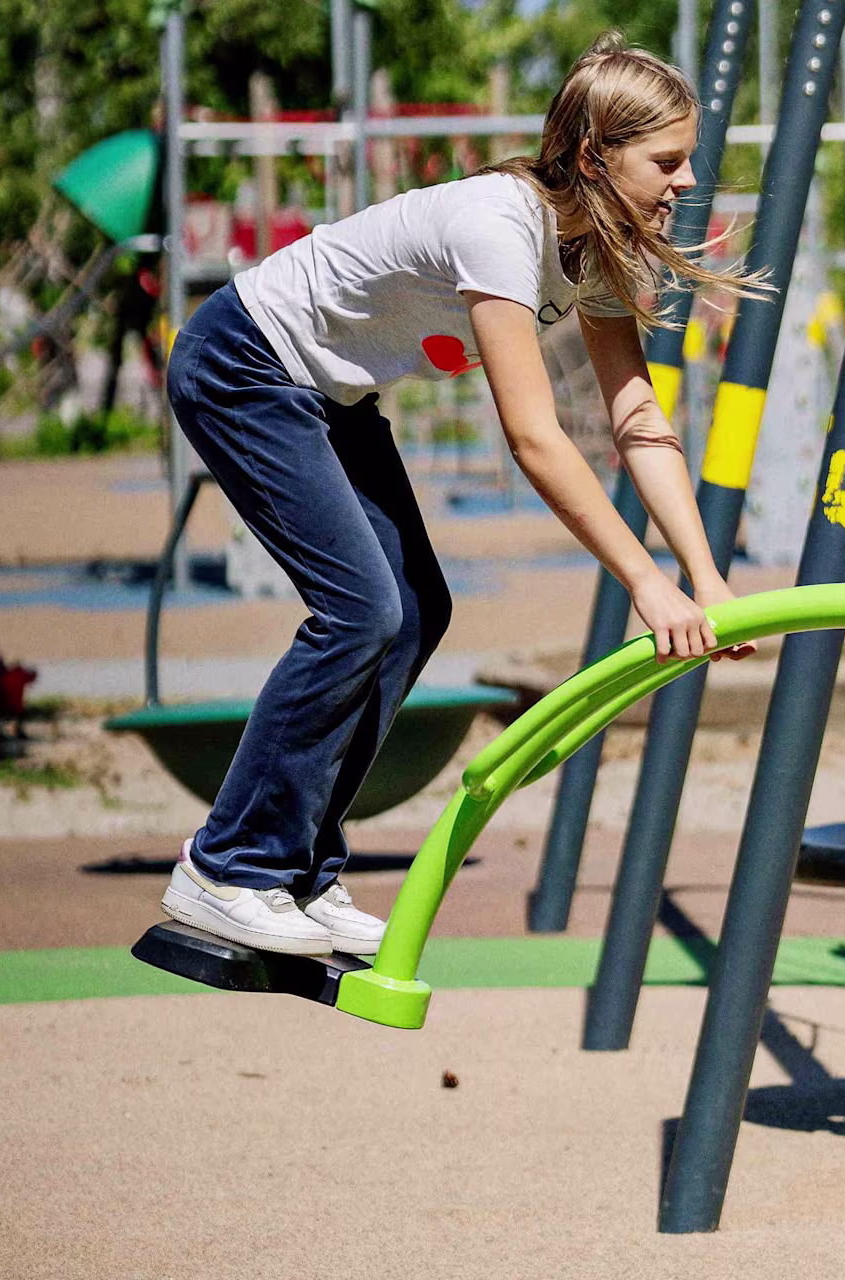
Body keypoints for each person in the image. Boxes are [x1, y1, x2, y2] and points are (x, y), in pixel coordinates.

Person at [160, 34, 757, 960]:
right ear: (596, 157)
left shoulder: (594, 245)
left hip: (327, 390)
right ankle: (229, 864)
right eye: (667, 162)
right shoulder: (499, 225)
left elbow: (637, 414)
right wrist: (646, 581)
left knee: (414, 611)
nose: (686, 182)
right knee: (359, 609)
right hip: (245, 363)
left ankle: (298, 872)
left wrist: (706, 576)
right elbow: (533, 436)